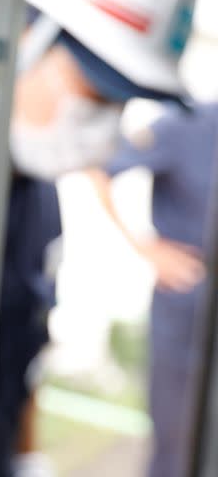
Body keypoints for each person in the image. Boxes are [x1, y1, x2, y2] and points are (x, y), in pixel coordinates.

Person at [0, 0, 199, 477]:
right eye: (98, 95)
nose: (106, 134)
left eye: (123, 104)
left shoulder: (36, 197)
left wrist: (22, 457)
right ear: (25, 36)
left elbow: (15, 352)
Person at [87, 102, 218, 477]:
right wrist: (146, 247)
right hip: (186, 311)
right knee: (177, 443)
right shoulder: (184, 125)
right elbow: (100, 166)